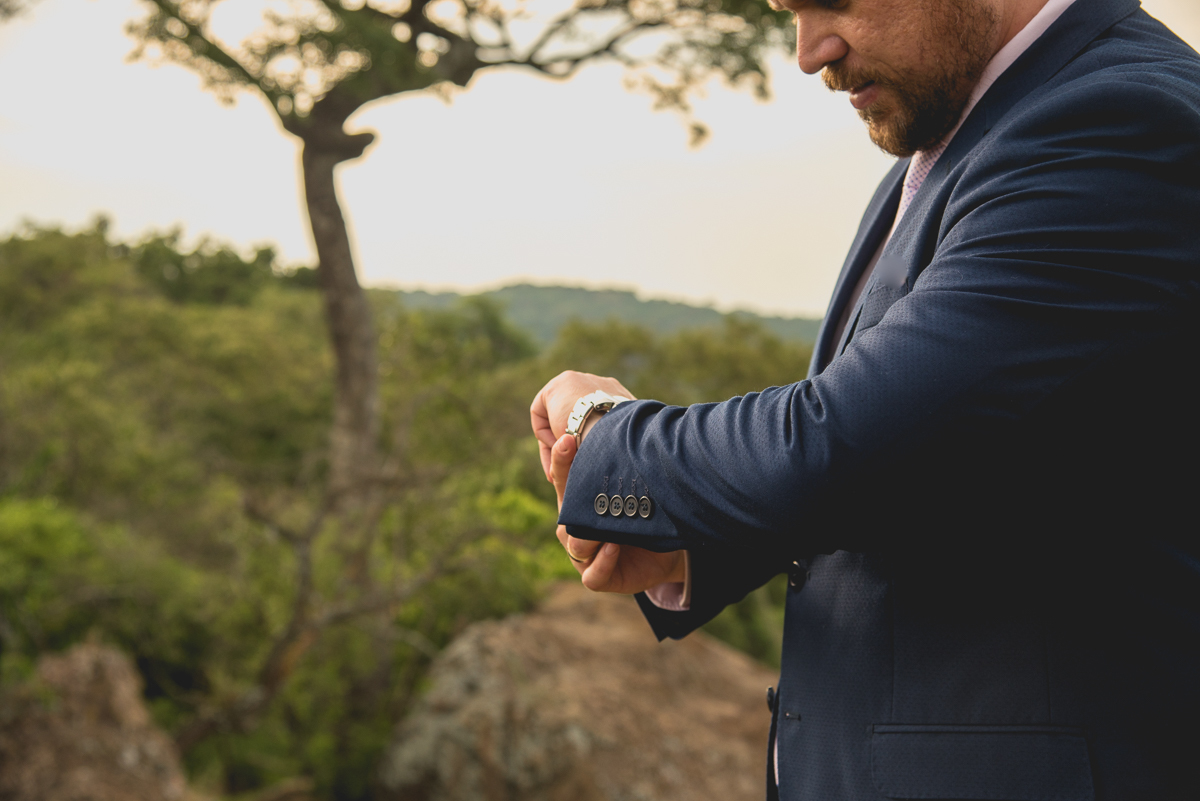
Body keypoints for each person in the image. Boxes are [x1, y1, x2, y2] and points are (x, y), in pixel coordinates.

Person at [530, 0, 1200, 798]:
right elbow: (957, 454)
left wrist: (609, 437)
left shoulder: (1118, 120)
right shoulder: (958, 136)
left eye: (833, 1)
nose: (810, 52)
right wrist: (688, 549)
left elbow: (846, 444)